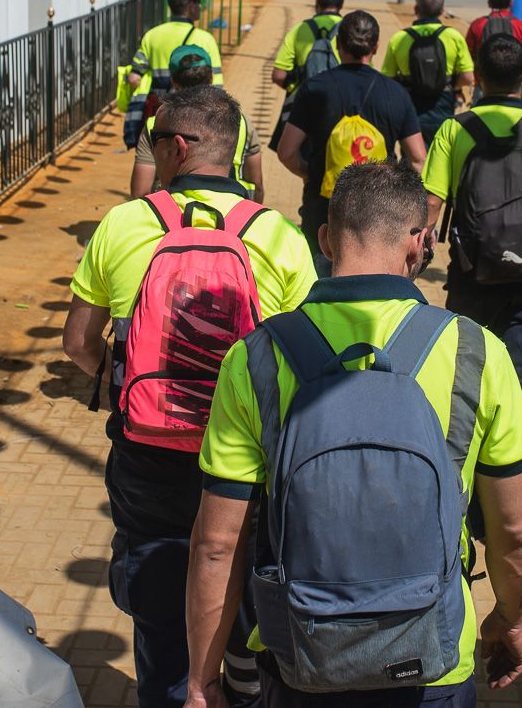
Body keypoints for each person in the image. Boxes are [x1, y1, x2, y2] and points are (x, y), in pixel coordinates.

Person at [183, 161, 522, 708]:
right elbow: (514, 534)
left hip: (302, 656)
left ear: (325, 238)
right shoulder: (477, 352)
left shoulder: (256, 356)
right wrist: (510, 619)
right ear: (420, 242)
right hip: (432, 659)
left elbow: (216, 544)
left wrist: (203, 681)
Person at [62, 86, 316, 708]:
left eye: (153, 142)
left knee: (158, 610)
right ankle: (238, 668)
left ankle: (172, 688)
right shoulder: (279, 236)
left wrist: (123, 390)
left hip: (147, 450)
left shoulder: (126, 223)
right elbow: (310, 363)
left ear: (178, 147)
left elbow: (77, 343)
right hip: (245, 457)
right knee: (247, 590)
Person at [423, 36, 522, 413]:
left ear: (477, 76)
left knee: (464, 381)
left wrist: (415, 257)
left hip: (470, 273)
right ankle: (512, 464)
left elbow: (431, 203)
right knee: (515, 388)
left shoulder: (453, 130)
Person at [277, 10, 426, 263]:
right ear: (376, 47)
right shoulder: (395, 93)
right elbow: (418, 158)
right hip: (381, 209)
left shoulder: (314, 88)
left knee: (318, 272)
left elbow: (286, 152)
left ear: (338, 44)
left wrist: (311, 173)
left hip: (324, 204)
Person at [133, 45, 263, 202]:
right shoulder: (240, 121)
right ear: (211, 78)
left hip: (169, 219)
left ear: (174, 81)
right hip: (233, 217)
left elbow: (141, 191)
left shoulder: (156, 123)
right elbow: (257, 184)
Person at [125, 0, 224, 147]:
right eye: (198, 2)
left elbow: (134, 78)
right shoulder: (206, 39)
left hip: (159, 117)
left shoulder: (152, 36)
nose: (200, 6)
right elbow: (217, 88)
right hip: (195, 120)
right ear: (191, 6)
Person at [383, 0, 475, 145]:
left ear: (416, 10)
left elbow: (388, 79)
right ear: (442, 11)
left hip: (411, 109)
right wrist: (455, 87)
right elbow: (468, 77)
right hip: (443, 105)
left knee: (411, 162)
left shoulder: (399, 38)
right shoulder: (453, 36)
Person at [268, 0, 343, 151]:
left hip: (305, 109)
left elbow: (278, 75)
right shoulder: (349, 29)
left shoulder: (298, 30)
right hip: (341, 110)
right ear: (341, 3)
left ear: (316, 3)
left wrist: (295, 82)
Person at [464, 0, 522, 110]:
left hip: (482, 91)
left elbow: (467, 59)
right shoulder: (521, 28)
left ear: (489, 2)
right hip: (514, 94)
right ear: (511, 2)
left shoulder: (477, 26)